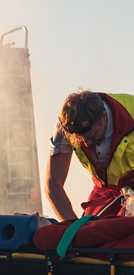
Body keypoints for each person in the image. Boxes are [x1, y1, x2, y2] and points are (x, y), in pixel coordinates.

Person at [45, 91, 134, 221]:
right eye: (80, 140)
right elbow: (53, 185)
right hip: (105, 189)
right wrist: (73, 229)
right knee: (90, 231)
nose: (87, 143)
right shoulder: (65, 127)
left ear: (104, 116)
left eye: (92, 136)